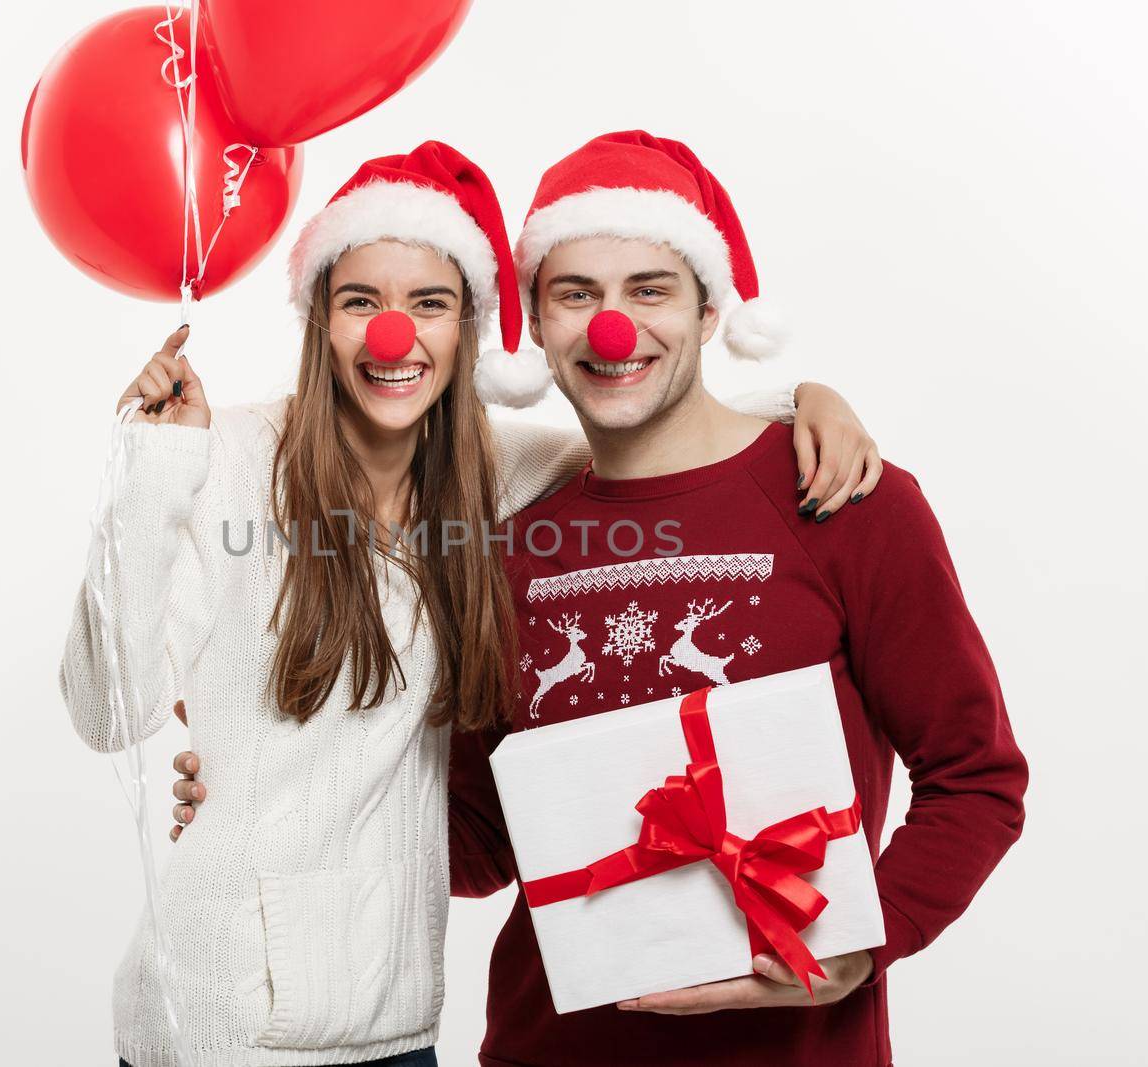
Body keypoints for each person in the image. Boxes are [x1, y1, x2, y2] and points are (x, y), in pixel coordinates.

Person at [175, 131, 1028, 1066]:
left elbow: (975, 778)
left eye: (649, 289)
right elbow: (478, 837)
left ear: (709, 312)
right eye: (575, 294)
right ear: (535, 325)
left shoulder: (842, 498)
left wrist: (865, 949)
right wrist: (265, 777)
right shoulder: (506, 541)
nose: (612, 329)